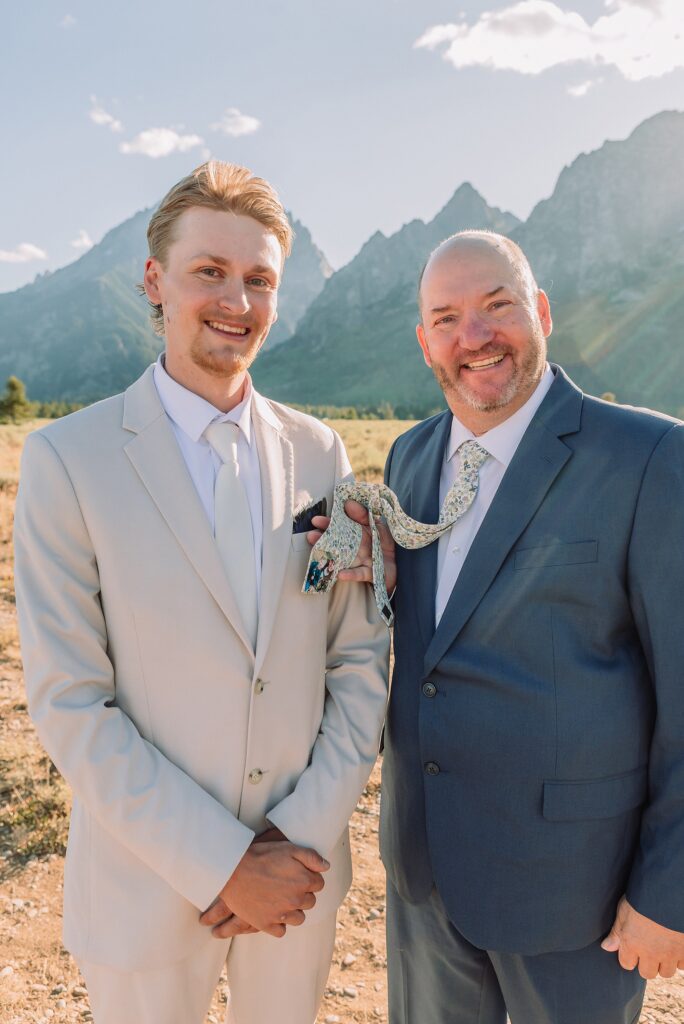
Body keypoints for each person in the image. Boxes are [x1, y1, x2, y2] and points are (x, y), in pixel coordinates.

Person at [13, 160, 388, 1024]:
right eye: (210, 272)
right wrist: (220, 862)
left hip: (300, 882)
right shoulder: (69, 461)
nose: (237, 301)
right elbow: (71, 702)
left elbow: (359, 657)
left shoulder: (323, 455)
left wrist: (297, 842)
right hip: (144, 888)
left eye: (259, 279)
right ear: (155, 281)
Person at [317, 231, 684, 1023]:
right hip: (424, 877)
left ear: (541, 311)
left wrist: (670, 892)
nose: (473, 337)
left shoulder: (651, 458)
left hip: (577, 891)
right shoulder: (412, 459)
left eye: (496, 306)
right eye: (446, 319)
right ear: (424, 343)